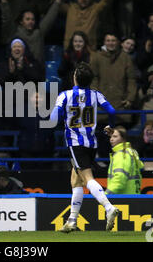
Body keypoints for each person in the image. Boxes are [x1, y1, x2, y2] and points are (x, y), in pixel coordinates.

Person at [50, 63, 120, 232]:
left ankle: (109, 207)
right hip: (91, 143)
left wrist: (57, 111)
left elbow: (53, 119)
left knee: (87, 179)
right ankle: (72, 221)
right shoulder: (95, 95)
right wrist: (110, 126)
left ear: (74, 78)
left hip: (75, 143)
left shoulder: (65, 95)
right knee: (76, 180)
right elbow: (111, 111)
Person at [105, 125, 144, 194]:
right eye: (111, 136)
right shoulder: (131, 152)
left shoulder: (122, 154)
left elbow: (119, 179)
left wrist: (106, 195)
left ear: (123, 138)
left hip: (123, 198)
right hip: (133, 196)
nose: (111, 139)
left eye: (115, 136)